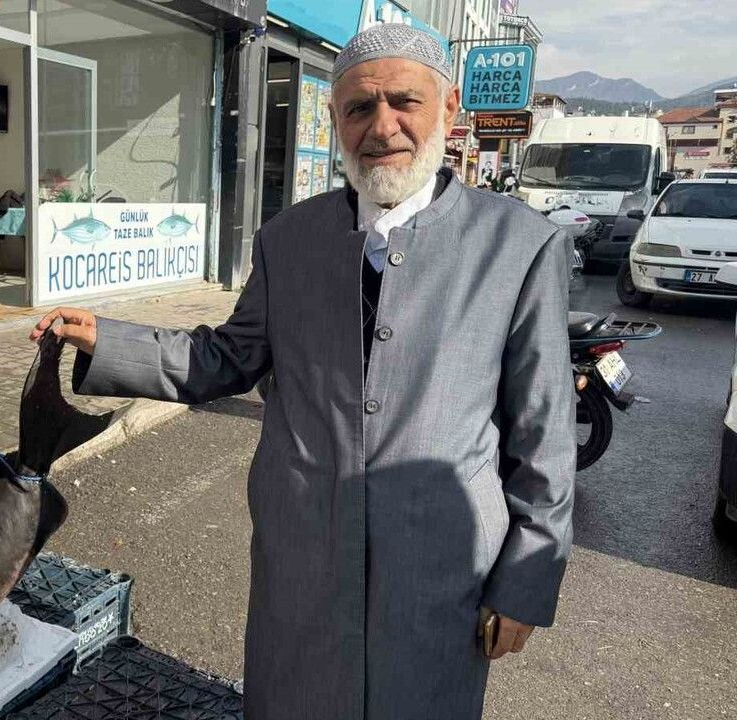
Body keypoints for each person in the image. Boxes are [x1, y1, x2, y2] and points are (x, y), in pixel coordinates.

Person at [30, 23, 574, 720]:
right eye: (358, 108)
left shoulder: (518, 245)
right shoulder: (290, 239)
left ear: (449, 107)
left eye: (404, 102)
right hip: (304, 558)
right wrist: (110, 340)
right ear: (335, 120)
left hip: (441, 573)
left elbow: (544, 436)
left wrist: (525, 582)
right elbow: (225, 357)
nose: (382, 127)